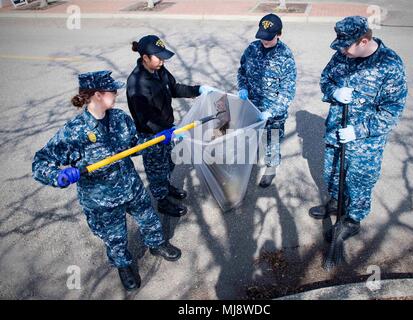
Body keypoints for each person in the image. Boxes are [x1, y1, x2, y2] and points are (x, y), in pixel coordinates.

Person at [32, 71, 182, 291]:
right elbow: (40, 163)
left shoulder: (120, 118)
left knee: (149, 217)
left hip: (131, 187)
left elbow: (135, 144)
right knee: (116, 237)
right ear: (97, 95)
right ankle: (124, 265)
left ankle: (157, 244)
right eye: (112, 90)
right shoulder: (75, 132)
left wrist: (158, 138)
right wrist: (59, 176)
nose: (117, 93)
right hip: (102, 200)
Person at [313, 16, 408, 242]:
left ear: (364, 41)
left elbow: (391, 111)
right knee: (333, 171)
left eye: (346, 45)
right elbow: (326, 78)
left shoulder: (389, 65)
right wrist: (333, 92)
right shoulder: (342, 55)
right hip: (336, 130)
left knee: (359, 180)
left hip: (365, 142)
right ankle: (337, 202)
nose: (342, 50)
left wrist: (358, 130)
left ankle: (352, 220)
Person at [126, 35, 217, 217]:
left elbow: (173, 88)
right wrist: (166, 131)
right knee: (156, 170)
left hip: (168, 129)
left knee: (168, 163)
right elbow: (145, 119)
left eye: (163, 57)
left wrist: (197, 90)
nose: (162, 61)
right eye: (158, 57)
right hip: (152, 135)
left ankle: (166, 188)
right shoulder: (137, 84)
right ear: (145, 58)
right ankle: (162, 201)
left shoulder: (159, 70)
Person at [237, 13, 297, 188]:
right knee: (250, 138)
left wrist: (272, 111)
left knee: (272, 140)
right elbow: (242, 71)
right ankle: (248, 165)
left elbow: (288, 90)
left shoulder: (285, 56)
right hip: (251, 106)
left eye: (269, 39)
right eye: (262, 37)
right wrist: (242, 87)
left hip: (273, 112)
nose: (264, 41)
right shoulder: (252, 49)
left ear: (279, 34)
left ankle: (270, 169)